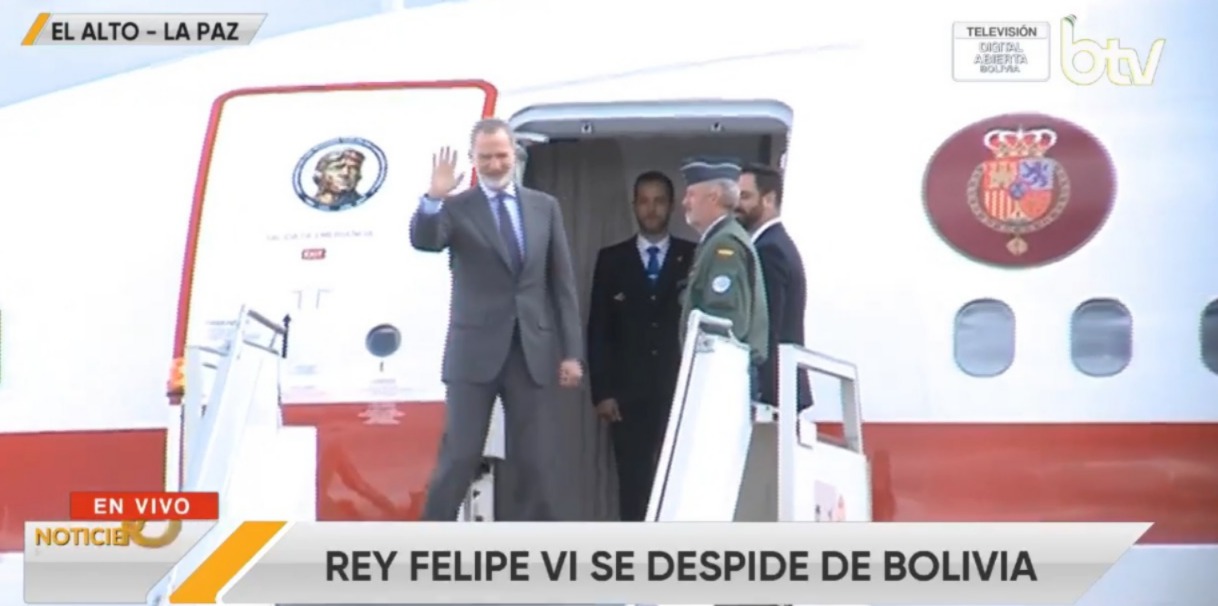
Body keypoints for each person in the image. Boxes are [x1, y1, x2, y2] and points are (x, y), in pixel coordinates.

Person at [409, 118, 584, 521]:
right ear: (473, 159)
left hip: (530, 351)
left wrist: (572, 353)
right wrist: (433, 198)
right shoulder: (457, 208)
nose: (494, 164)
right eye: (485, 157)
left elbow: (561, 284)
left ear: (514, 155)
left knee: (535, 461)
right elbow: (425, 240)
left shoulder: (544, 207)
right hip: (474, 353)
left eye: (501, 155)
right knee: (460, 455)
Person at [586, 171, 695, 521]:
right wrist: (602, 392)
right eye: (644, 201)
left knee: (679, 478)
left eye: (659, 201)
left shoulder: (693, 256)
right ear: (634, 205)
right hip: (626, 395)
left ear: (672, 206)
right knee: (633, 483)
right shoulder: (611, 259)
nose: (651, 209)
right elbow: (599, 329)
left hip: (678, 390)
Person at [677, 157, 769, 375]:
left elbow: (725, 320)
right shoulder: (717, 240)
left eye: (691, 194)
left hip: (721, 372)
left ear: (713, 197)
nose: (684, 202)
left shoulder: (724, 245)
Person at [737, 163, 812, 410]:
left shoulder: (769, 250)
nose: (737, 205)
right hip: (781, 387)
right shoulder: (776, 243)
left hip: (774, 392)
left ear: (768, 199)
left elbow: (768, 327)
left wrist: (762, 393)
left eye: (745, 196)